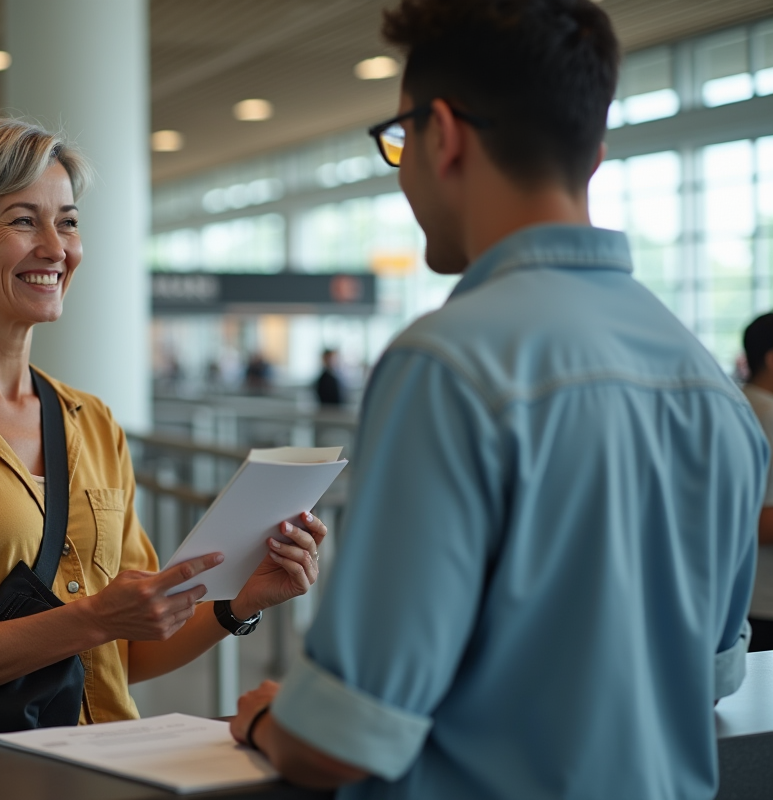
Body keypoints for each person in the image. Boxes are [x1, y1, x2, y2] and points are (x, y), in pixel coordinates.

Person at [228, 2, 763, 799]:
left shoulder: (448, 365)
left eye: (399, 143)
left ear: (440, 133)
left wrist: (270, 720)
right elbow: (712, 676)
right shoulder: (711, 387)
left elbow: (339, 742)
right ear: (593, 154)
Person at [0, 116, 328, 748]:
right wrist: (91, 618)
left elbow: (129, 652)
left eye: (67, 221)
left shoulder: (89, 422)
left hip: (102, 762)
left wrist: (241, 601)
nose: (55, 247)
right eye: (22, 220)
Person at [740, 313, 773, 652]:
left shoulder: (735, 404)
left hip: (740, 597)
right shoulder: (768, 415)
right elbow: (761, 524)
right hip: (766, 598)